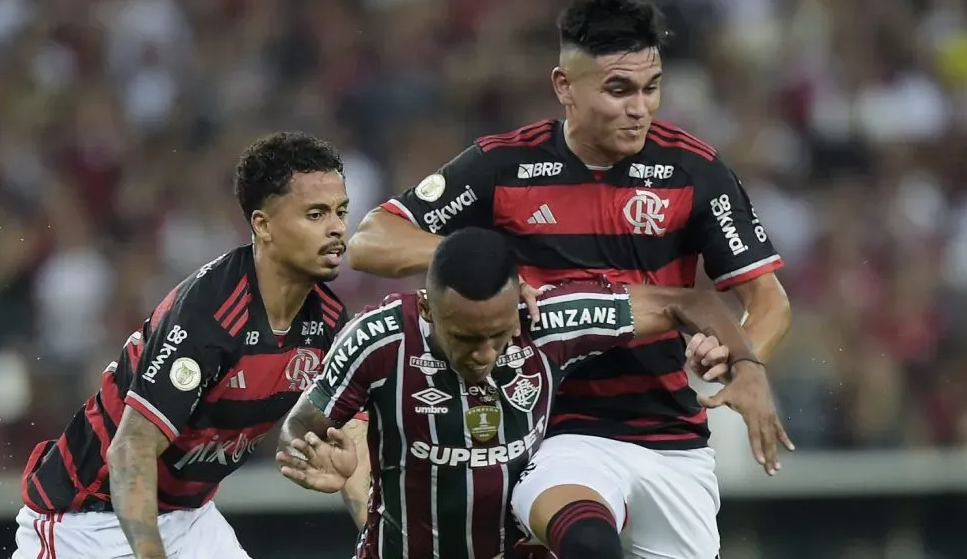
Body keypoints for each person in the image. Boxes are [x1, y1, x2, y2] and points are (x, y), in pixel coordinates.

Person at [345, 0, 794, 559]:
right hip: (558, 431)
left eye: (651, 87)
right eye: (618, 89)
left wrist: (744, 359)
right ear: (565, 87)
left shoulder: (694, 170)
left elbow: (768, 301)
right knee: (586, 543)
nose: (640, 108)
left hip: (673, 439)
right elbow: (370, 240)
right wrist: (485, 261)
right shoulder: (503, 165)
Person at [274, 227, 788, 559]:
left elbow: (687, 302)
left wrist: (746, 364)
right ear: (429, 310)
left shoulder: (549, 322)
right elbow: (299, 428)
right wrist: (322, 459)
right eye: (467, 339)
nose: (485, 354)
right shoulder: (378, 338)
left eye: (498, 336)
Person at [11, 132, 371, 559]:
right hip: (89, 522)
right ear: (263, 225)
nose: (336, 228)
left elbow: (352, 440)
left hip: (191, 518)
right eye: (316, 214)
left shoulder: (329, 321)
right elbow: (132, 449)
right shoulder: (211, 314)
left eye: (341, 211)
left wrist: (383, 540)